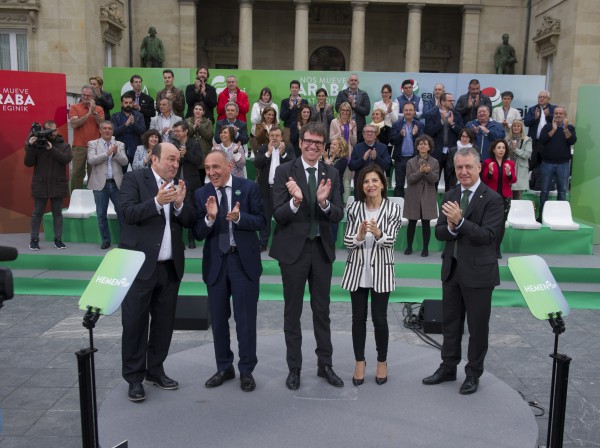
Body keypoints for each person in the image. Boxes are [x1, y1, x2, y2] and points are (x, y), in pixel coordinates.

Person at [422, 146, 504, 395]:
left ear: (479, 167)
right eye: (459, 167)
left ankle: (473, 373)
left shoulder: (493, 199)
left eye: (469, 166)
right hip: (452, 271)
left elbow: (489, 236)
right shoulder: (450, 195)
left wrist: (460, 223)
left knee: (478, 328)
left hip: (479, 274)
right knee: (450, 324)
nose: (464, 171)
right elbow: (438, 232)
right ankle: (448, 367)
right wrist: (453, 227)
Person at [269, 122, 345, 390]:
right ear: (300, 143)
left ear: (324, 146)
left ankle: (325, 365)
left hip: (321, 250)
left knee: (322, 311)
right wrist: (296, 201)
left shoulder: (332, 173)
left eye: (318, 142)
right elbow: (278, 214)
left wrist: (324, 203)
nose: (313, 146)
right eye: (308, 141)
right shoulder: (284, 171)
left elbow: (338, 213)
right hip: (293, 251)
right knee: (293, 312)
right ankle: (295, 368)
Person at [119, 142, 196, 402]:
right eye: (170, 159)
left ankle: (156, 369)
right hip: (139, 268)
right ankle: (134, 377)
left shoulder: (179, 185)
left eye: (177, 160)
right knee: (134, 324)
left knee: (163, 325)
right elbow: (127, 213)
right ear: (154, 159)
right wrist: (156, 202)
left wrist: (178, 206)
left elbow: (190, 221)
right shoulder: (133, 179)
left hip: (169, 268)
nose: (175, 164)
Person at [193, 150, 266, 392]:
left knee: (245, 320)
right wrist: (210, 219)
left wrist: (238, 218)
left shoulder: (248, 188)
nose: (211, 172)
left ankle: (246, 369)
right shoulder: (201, 194)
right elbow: (197, 233)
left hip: (242, 263)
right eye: (207, 168)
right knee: (219, 321)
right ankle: (224, 367)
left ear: (228, 166)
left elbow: (261, 221)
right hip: (216, 264)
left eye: (216, 167)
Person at [341, 165, 401, 386]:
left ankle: (382, 361)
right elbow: (347, 242)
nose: (371, 185)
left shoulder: (393, 209)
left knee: (379, 319)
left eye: (375, 180)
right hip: (357, 271)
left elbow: (391, 241)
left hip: (382, 271)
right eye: (366, 181)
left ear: (383, 184)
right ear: (361, 186)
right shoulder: (354, 208)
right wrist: (357, 236)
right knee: (358, 319)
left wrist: (378, 234)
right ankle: (359, 361)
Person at [25, 120, 72, 251]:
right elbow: (28, 163)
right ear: (43, 131)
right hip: (40, 184)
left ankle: (58, 239)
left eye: (54, 130)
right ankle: (34, 240)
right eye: (49, 130)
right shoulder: (37, 146)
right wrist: (30, 146)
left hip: (57, 184)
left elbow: (66, 159)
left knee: (57, 213)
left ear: (57, 130)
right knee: (37, 213)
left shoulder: (64, 146)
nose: (52, 133)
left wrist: (51, 150)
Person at [87, 121, 128, 249]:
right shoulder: (93, 143)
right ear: (100, 130)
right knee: (101, 214)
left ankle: (124, 240)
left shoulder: (119, 144)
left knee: (122, 213)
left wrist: (116, 153)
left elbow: (125, 161)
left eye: (110, 128)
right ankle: (105, 240)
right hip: (100, 184)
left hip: (116, 184)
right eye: (104, 128)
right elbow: (91, 160)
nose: (107, 131)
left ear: (113, 131)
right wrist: (107, 153)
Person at [254, 126, 295, 251]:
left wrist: (283, 154)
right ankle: (263, 243)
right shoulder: (263, 148)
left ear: (282, 137)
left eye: (277, 136)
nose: (274, 138)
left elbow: (293, 166)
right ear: (268, 137)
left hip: (282, 191)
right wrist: (268, 153)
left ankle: (282, 243)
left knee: (282, 217)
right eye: (272, 136)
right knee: (265, 217)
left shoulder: (288, 148)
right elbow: (257, 164)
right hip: (266, 189)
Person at [403, 135, 440, 257]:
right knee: (412, 222)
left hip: (428, 195)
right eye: (420, 144)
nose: (423, 146)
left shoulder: (434, 162)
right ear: (417, 146)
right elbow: (410, 179)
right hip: (413, 195)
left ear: (429, 147)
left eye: (425, 144)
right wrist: (420, 172)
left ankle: (425, 248)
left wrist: (428, 172)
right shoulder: (410, 162)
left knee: (426, 223)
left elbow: (435, 179)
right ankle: (409, 246)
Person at [537, 107, 576, 220]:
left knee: (562, 192)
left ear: (565, 115)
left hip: (563, 164)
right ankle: (542, 217)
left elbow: (572, 141)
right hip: (547, 163)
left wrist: (565, 129)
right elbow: (542, 140)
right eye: (556, 113)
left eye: (561, 113)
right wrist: (553, 130)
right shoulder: (548, 126)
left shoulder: (570, 128)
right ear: (553, 115)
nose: (558, 115)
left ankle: (560, 217)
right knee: (544, 191)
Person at [171, 121, 204, 250]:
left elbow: (198, 161)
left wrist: (186, 154)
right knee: (175, 210)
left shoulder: (194, 144)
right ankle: (178, 240)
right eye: (175, 131)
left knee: (191, 210)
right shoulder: (173, 145)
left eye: (178, 131)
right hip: (176, 182)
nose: (176, 133)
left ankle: (191, 240)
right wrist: (180, 156)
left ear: (185, 131)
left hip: (192, 183)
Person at [482, 139, 516, 258]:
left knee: (501, 224)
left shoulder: (510, 164)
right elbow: (485, 180)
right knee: (489, 223)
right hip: (490, 197)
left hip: (505, 197)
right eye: (499, 147)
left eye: (503, 148)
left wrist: (509, 174)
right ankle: (488, 247)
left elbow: (514, 180)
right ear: (493, 149)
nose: (501, 150)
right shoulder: (487, 162)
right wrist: (490, 172)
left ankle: (497, 248)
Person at [424, 92, 463, 191]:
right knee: (433, 183)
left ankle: (448, 206)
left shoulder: (457, 115)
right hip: (436, 153)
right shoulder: (432, 115)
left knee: (450, 184)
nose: (452, 103)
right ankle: (431, 205)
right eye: (450, 101)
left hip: (451, 153)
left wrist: (452, 124)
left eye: (452, 100)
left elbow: (462, 133)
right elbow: (428, 132)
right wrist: (441, 122)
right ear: (442, 102)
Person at [69, 84, 104, 191]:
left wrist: (93, 112)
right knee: (76, 173)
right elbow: (74, 124)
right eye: (83, 95)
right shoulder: (75, 107)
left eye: (88, 96)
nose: (85, 97)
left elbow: (102, 125)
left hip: (95, 146)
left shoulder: (99, 109)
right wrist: (88, 113)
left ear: (93, 97)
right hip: (79, 146)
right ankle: (76, 197)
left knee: (93, 173)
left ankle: (93, 199)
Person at [391, 102, 424, 197]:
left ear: (414, 112)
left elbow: (423, 143)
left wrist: (416, 134)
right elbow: (392, 140)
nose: (408, 112)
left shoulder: (420, 125)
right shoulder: (397, 124)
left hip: (415, 159)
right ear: (403, 111)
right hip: (400, 159)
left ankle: (413, 208)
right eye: (406, 110)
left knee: (414, 184)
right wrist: (400, 135)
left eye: (411, 110)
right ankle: (398, 208)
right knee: (399, 185)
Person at [348, 123, 391, 194]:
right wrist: (363, 159)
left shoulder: (383, 147)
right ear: (363, 134)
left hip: (376, 185)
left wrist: (377, 158)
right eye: (367, 131)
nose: (369, 134)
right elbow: (351, 166)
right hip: (361, 185)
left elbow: (387, 166)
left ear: (375, 135)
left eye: (372, 132)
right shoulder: (357, 147)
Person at [524, 90, 555, 184]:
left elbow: (557, 122)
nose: (541, 99)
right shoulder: (532, 109)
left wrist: (548, 116)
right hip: (535, 142)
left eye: (543, 97)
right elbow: (526, 122)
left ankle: (547, 184)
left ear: (548, 99)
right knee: (531, 163)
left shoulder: (554, 109)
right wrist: (535, 118)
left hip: (548, 142)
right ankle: (529, 184)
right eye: (539, 97)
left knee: (546, 164)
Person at [111, 92, 146, 172]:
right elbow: (113, 132)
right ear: (121, 104)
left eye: (130, 103)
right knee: (120, 175)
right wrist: (126, 125)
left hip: (136, 150)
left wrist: (134, 123)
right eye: (126, 103)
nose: (128, 104)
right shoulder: (115, 116)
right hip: (120, 151)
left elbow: (143, 131)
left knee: (138, 175)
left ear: (133, 103)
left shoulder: (139, 115)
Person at [329, 101, 357, 203]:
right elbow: (331, 139)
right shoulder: (334, 122)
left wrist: (350, 132)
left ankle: (346, 204)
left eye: (347, 110)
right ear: (340, 111)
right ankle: (338, 202)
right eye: (343, 110)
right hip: (337, 156)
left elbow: (354, 142)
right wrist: (340, 132)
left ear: (350, 112)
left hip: (348, 155)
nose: (345, 112)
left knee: (347, 181)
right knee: (337, 179)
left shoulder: (353, 123)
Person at [335, 74, 371, 142]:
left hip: (359, 129)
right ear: (348, 82)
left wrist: (355, 106)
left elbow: (367, 111)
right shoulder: (342, 93)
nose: (353, 82)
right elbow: (337, 109)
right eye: (351, 80)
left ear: (358, 82)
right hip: (344, 127)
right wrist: (348, 102)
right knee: (344, 149)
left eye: (355, 80)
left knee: (358, 150)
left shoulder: (364, 94)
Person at [506, 120, 532, 199]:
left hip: (520, 168)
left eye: (518, 126)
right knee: (507, 195)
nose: (516, 128)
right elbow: (503, 153)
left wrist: (515, 149)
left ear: (521, 128)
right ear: (511, 127)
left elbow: (527, 155)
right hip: (509, 168)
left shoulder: (527, 139)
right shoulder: (507, 139)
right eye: (514, 126)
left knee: (518, 196)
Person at [250, 87, 279, 155]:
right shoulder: (256, 105)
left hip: (270, 135)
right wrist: (261, 115)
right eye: (264, 95)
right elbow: (253, 121)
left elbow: (276, 121)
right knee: (258, 157)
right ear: (261, 96)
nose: (266, 97)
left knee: (269, 156)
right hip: (256, 134)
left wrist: (268, 126)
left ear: (270, 96)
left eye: (268, 95)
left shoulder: (274, 106)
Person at [280, 80, 309, 145]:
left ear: (299, 89)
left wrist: (299, 107)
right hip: (288, 128)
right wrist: (290, 108)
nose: (294, 89)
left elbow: (306, 116)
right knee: (287, 148)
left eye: (296, 88)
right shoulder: (284, 101)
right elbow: (282, 117)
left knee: (301, 146)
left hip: (301, 127)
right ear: (290, 89)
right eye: (292, 87)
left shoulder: (304, 102)